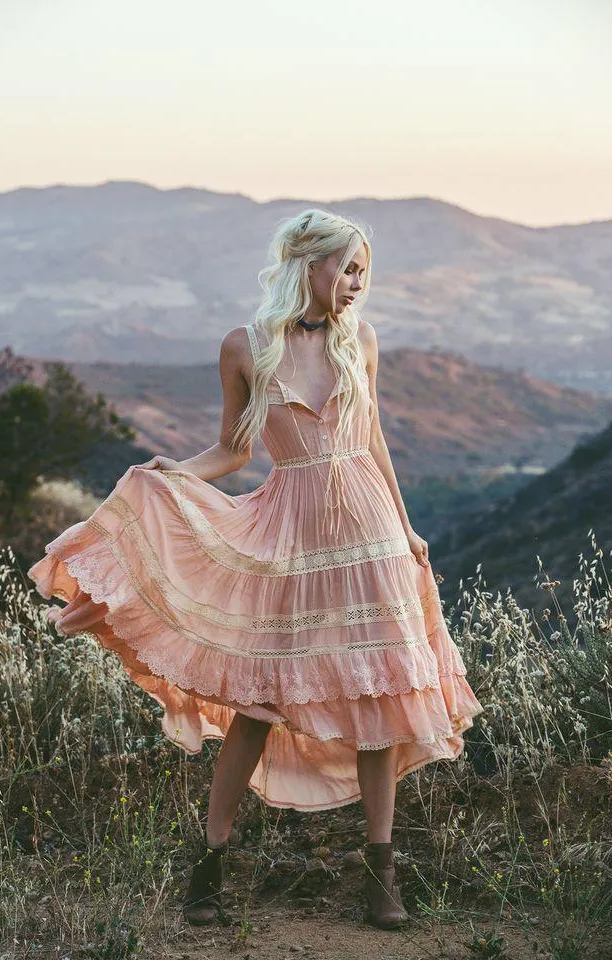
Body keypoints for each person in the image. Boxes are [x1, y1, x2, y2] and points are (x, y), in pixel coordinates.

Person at [27, 208, 483, 930]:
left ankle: (380, 872)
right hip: (290, 530)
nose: (358, 282)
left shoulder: (360, 339)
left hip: (368, 533)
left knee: (378, 701)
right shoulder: (244, 345)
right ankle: (208, 871)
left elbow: (373, 440)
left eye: (365, 269)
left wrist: (407, 525)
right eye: (348, 266)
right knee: (256, 703)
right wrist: (174, 474)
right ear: (308, 262)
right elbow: (234, 451)